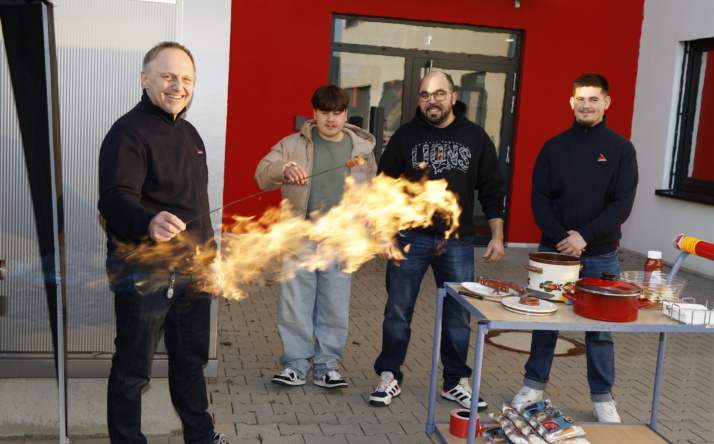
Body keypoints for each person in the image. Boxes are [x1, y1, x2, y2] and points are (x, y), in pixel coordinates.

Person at [98, 41, 228, 444]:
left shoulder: (191, 134)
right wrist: (148, 221)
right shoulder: (128, 132)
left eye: (186, 78)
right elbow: (114, 198)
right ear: (145, 78)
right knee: (133, 369)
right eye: (169, 76)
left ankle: (201, 437)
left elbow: (199, 207)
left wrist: (213, 260)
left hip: (192, 272)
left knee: (191, 363)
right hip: (145, 272)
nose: (178, 86)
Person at [368, 71, 506, 411]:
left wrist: (498, 236)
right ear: (419, 99)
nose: (433, 100)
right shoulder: (405, 136)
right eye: (426, 95)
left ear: (453, 96)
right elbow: (383, 188)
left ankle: (455, 381)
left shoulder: (476, 137)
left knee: (459, 314)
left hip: (457, 241)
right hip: (409, 238)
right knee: (398, 311)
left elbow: (492, 189)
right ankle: (389, 375)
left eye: (439, 93)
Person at [512, 73, 638, 423]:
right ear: (571, 102)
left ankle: (602, 398)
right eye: (580, 98)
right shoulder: (554, 147)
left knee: (599, 329)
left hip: (599, 253)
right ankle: (533, 384)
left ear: (606, 103)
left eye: (593, 99)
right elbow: (539, 199)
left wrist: (583, 236)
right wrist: (562, 238)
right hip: (553, 252)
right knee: (545, 319)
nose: (586, 104)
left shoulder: (621, 149)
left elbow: (621, 204)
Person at [254, 85, 377, 389]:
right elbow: (261, 174)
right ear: (314, 113)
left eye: (337, 113)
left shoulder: (362, 151)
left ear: (346, 114)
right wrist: (284, 168)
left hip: (340, 242)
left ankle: (327, 367)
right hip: (301, 238)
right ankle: (295, 365)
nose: (331, 119)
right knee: (295, 307)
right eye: (324, 112)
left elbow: (372, 197)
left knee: (334, 309)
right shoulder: (293, 145)